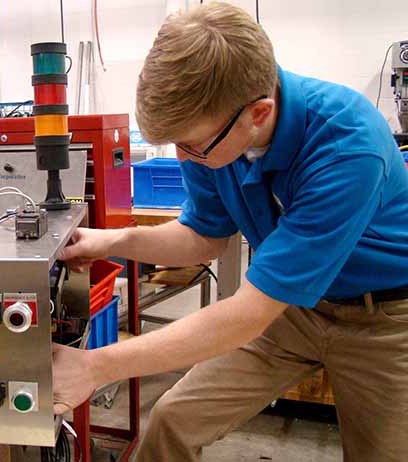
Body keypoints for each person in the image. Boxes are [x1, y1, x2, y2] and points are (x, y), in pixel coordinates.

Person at [51, 2, 408, 461]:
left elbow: (248, 315)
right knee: (171, 420)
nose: (182, 159)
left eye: (191, 145)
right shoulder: (218, 133)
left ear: (258, 113)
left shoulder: (347, 147)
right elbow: (203, 237)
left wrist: (96, 366)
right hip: (297, 312)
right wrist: (114, 241)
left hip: (385, 321)